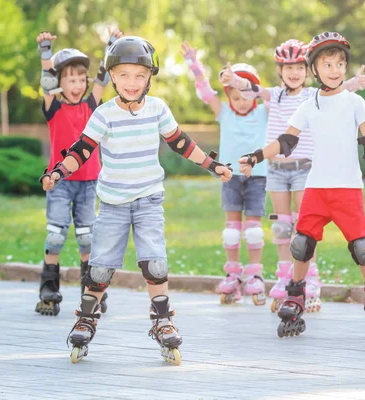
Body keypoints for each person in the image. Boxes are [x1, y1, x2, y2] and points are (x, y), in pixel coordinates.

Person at [40, 36, 232, 365]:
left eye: (140, 75)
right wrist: (58, 172)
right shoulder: (103, 114)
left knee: (155, 263)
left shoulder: (157, 109)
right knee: (99, 268)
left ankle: (162, 320)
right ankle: (86, 318)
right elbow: (82, 150)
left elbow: (181, 143)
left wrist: (213, 165)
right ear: (112, 76)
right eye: (124, 75)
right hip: (113, 204)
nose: (132, 82)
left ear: (149, 78)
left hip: (148, 201)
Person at [239, 32, 365, 340]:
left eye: (340, 63)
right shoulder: (309, 105)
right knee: (301, 243)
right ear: (315, 69)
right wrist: (257, 156)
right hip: (316, 188)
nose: (335, 70)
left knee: (362, 247)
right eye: (327, 64)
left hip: (348, 188)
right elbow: (287, 141)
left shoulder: (354, 101)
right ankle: (295, 296)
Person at [221, 38, 365, 313]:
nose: (294, 73)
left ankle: (310, 280)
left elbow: (340, 88)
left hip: (304, 169)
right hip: (276, 170)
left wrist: (357, 83)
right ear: (280, 70)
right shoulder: (274, 95)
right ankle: (284, 276)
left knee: (304, 228)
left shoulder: (310, 96)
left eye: (299, 67)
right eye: (288, 67)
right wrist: (233, 79)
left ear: (308, 69)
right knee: (281, 227)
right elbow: (250, 89)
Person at [34, 28, 122, 316]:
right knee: (56, 234)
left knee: (87, 237)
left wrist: (111, 45)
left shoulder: (91, 107)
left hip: (88, 182)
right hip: (59, 182)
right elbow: (46, 81)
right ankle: (49, 287)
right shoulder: (53, 107)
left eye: (80, 79)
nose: (77, 84)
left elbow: (102, 77)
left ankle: (91, 290)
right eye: (70, 79)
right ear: (60, 82)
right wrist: (46, 52)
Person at [181, 42, 268, 306]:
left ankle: (254, 276)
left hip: (258, 176)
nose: (241, 102)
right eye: (236, 97)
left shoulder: (265, 112)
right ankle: (232, 274)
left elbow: (276, 96)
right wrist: (194, 65)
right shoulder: (225, 112)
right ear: (229, 96)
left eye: (245, 95)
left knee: (253, 230)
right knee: (231, 231)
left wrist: (245, 84)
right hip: (231, 177)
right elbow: (206, 92)